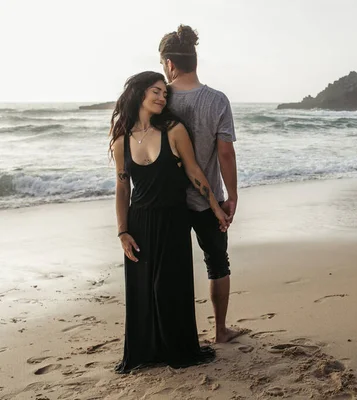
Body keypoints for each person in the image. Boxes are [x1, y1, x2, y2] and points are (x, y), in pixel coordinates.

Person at [110, 71, 229, 373]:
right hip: (139, 222)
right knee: (143, 289)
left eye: (164, 92)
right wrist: (122, 231)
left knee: (170, 287)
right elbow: (123, 187)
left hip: (173, 219)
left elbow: (194, 172)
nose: (163, 97)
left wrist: (215, 207)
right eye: (156, 92)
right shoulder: (121, 141)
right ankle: (148, 350)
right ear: (139, 94)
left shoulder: (174, 130)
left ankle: (177, 348)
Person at [158, 25, 240, 343]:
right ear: (194, 60)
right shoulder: (217, 100)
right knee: (218, 263)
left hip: (169, 202)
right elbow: (225, 153)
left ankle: (174, 335)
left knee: (172, 269)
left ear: (169, 64)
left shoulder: (159, 100)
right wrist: (231, 197)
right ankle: (220, 331)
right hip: (209, 202)